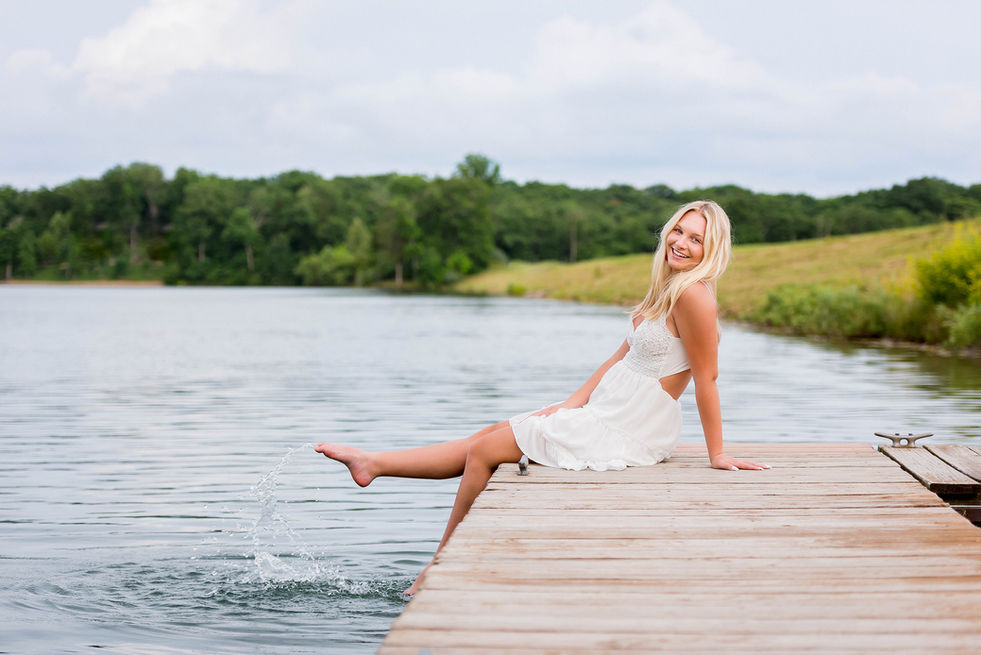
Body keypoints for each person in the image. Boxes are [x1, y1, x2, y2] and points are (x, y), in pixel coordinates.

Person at [315, 200, 769, 596]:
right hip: (609, 408)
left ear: (711, 250)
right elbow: (620, 357)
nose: (681, 243)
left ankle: (438, 565)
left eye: (695, 239)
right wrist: (570, 403)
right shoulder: (668, 289)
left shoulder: (694, 296)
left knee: (486, 450)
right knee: (492, 432)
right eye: (678, 231)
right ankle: (373, 463)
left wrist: (717, 454)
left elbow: (707, 379)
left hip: (631, 425)